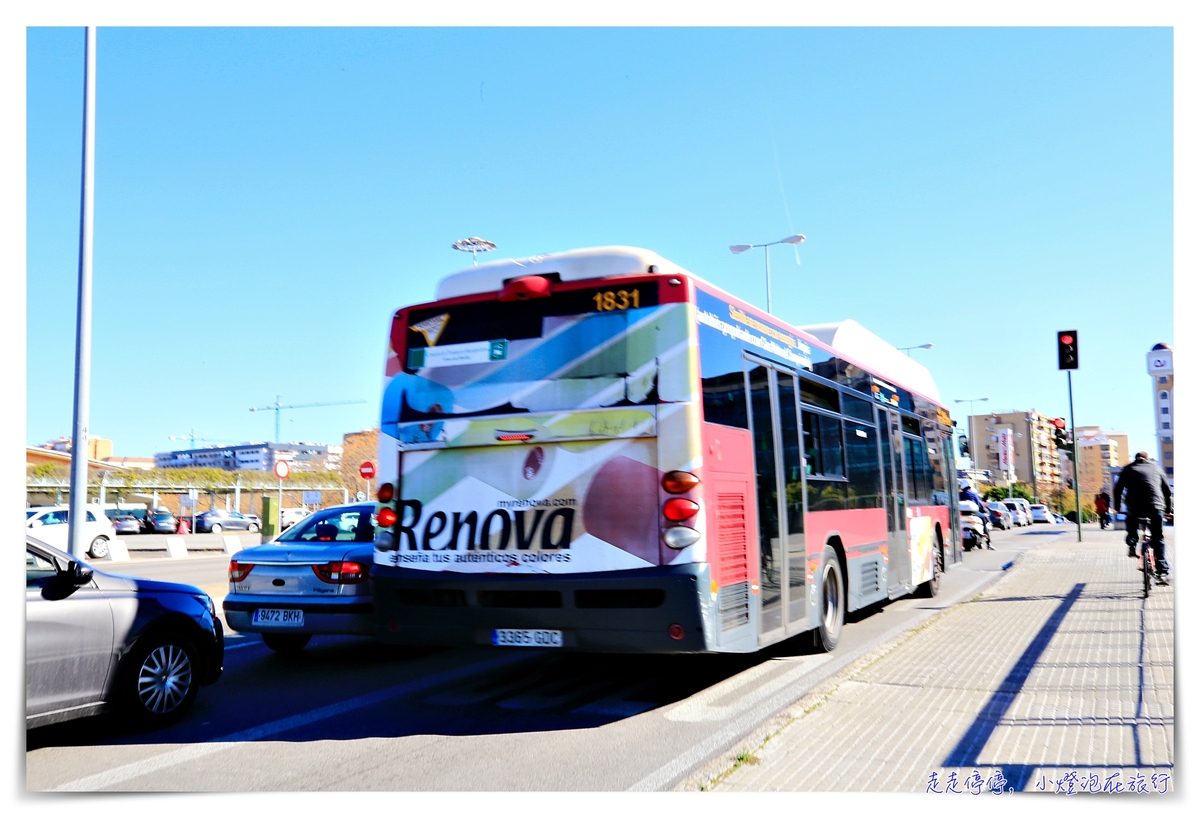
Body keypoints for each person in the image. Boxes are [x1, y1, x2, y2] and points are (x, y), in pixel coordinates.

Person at [1112, 452, 1172, 577]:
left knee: (1131, 522)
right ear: (1147, 459)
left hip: (1134, 506)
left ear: (1136, 459)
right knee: (1158, 537)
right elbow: (1167, 491)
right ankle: (1162, 571)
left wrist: (1117, 508)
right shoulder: (1156, 468)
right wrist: (1168, 510)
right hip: (1155, 506)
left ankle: (1132, 544)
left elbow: (1118, 489)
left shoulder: (1128, 468)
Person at [959, 479, 993, 550]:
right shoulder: (973, 494)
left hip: (961, 514)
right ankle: (987, 539)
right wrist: (984, 509)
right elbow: (979, 505)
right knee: (984, 518)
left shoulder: (959, 494)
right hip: (974, 513)